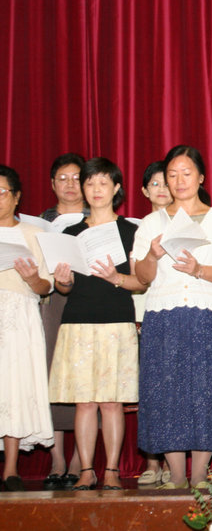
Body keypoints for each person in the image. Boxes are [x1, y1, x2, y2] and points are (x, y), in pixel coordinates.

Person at [133, 145, 212, 489]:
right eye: (172, 175)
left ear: (201, 177)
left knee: (207, 390)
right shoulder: (151, 223)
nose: (179, 181)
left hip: (206, 314)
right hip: (163, 315)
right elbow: (142, 277)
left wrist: (199, 269)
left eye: (187, 173)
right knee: (166, 393)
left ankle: (199, 474)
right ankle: (176, 475)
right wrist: (152, 254)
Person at [49, 157, 145, 490]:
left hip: (116, 320)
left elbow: (141, 282)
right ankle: (87, 470)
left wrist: (116, 276)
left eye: (103, 182)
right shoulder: (70, 233)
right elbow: (64, 287)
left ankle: (112, 471)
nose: (96, 189)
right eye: (90, 183)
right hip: (78, 322)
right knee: (85, 402)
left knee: (112, 402)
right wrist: (62, 280)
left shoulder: (130, 231)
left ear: (116, 188)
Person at [0, 165, 55, 492]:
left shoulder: (33, 234)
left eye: (1, 192)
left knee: (15, 386)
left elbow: (47, 285)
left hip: (19, 314)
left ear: (16, 196)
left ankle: (10, 468)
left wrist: (32, 278)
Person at [39, 153, 87, 490]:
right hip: (52, 302)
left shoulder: (96, 218)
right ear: (52, 184)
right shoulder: (41, 222)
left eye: (76, 178)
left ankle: (80, 461)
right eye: (63, 178)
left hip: (88, 300)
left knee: (86, 379)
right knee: (51, 374)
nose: (70, 185)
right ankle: (57, 459)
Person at [135, 161, 173, 487]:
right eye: (155, 184)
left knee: (173, 387)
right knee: (151, 389)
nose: (162, 189)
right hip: (140, 308)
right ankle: (151, 460)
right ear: (144, 190)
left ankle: (173, 462)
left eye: (167, 182)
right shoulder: (139, 226)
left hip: (172, 310)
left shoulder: (189, 223)